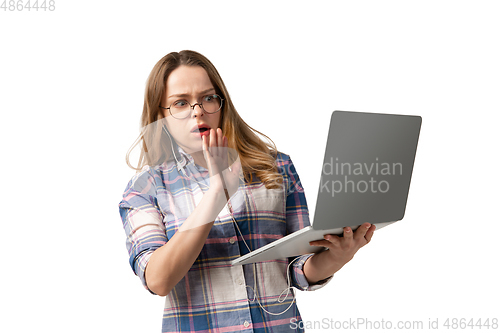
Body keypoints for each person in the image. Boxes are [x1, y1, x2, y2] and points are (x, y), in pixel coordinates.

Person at [118, 50, 376, 332]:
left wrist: (338, 256)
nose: (198, 111)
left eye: (208, 98)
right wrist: (217, 193)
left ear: (221, 103)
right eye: (180, 103)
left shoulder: (276, 167)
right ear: (160, 116)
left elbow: (299, 269)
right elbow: (158, 279)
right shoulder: (145, 189)